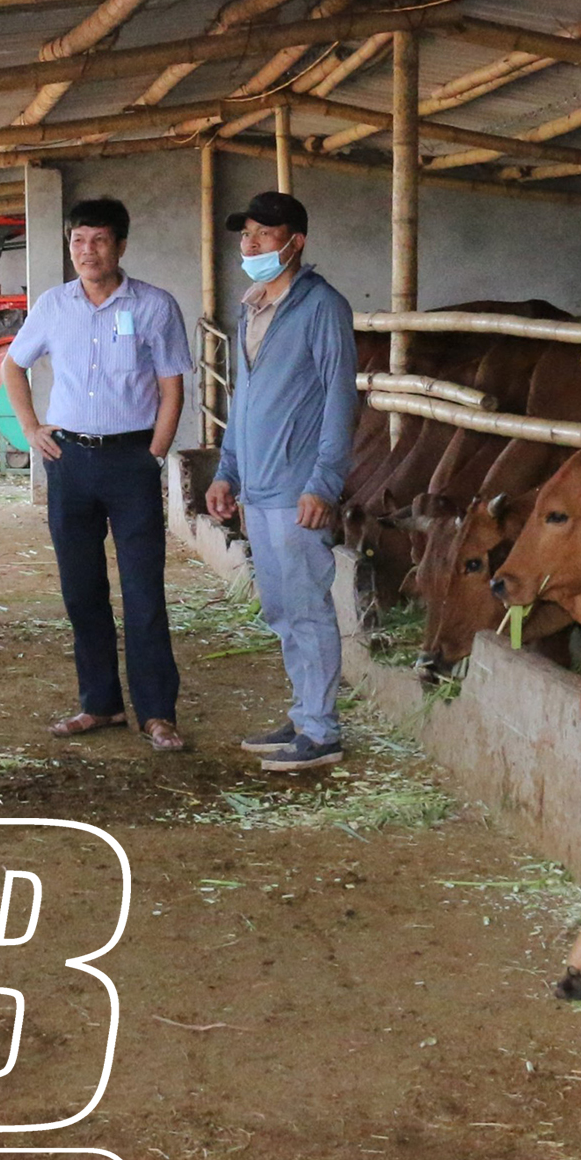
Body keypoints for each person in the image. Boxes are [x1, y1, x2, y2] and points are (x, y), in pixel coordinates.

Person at [0, 197, 191, 753]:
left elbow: (172, 385)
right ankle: (100, 703)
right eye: (78, 241)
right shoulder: (53, 305)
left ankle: (157, 713)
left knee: (143, 590)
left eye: (100, 240)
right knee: (82, 589)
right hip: (69, 462)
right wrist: (31, 428)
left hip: (131, 461)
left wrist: (154, 453)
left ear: (121, 246)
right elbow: (13, 364)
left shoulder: (155, 306)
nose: (88, 252)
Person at [203, 190, 357, 773]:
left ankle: (321, 731)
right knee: (281, 608)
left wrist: (325, 482)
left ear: (296, 242)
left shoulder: (322, 307)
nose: (250, 245)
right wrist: (227, 471)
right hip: (258, 486)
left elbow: (340, 399)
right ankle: (305, 712)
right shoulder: (254, 306)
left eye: (264, 235)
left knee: (307, 607)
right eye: (246, 235)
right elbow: (243, 400)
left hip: (298, 488)